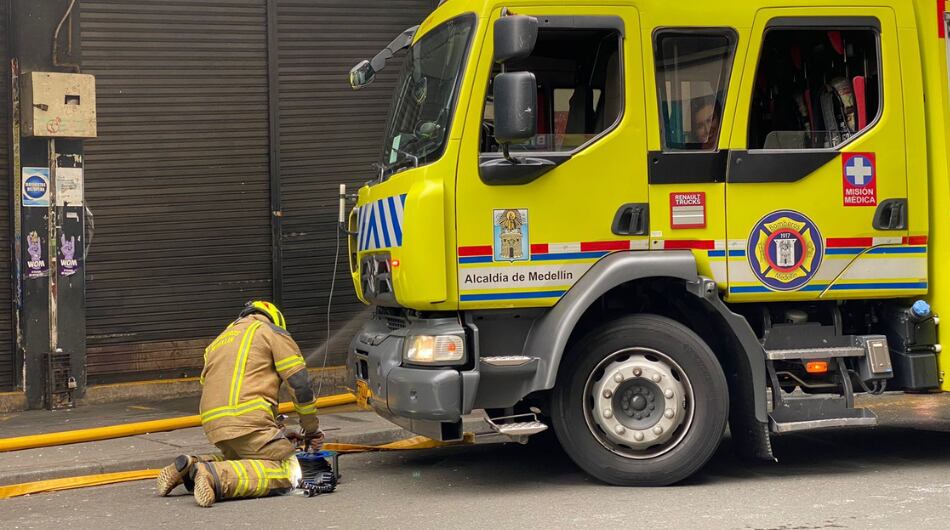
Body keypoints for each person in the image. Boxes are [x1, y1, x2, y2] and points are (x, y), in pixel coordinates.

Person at [156, 301, 323, 507]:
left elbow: (224, 386)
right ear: (275, 319)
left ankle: (191, 466)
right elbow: (300, 384)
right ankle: (214, 476)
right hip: (248, 421)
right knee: (290, 468)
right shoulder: (272, 332)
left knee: (246, 462)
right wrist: (311, 429)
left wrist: (277, 430)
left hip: (214, 425)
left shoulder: (218, 341)